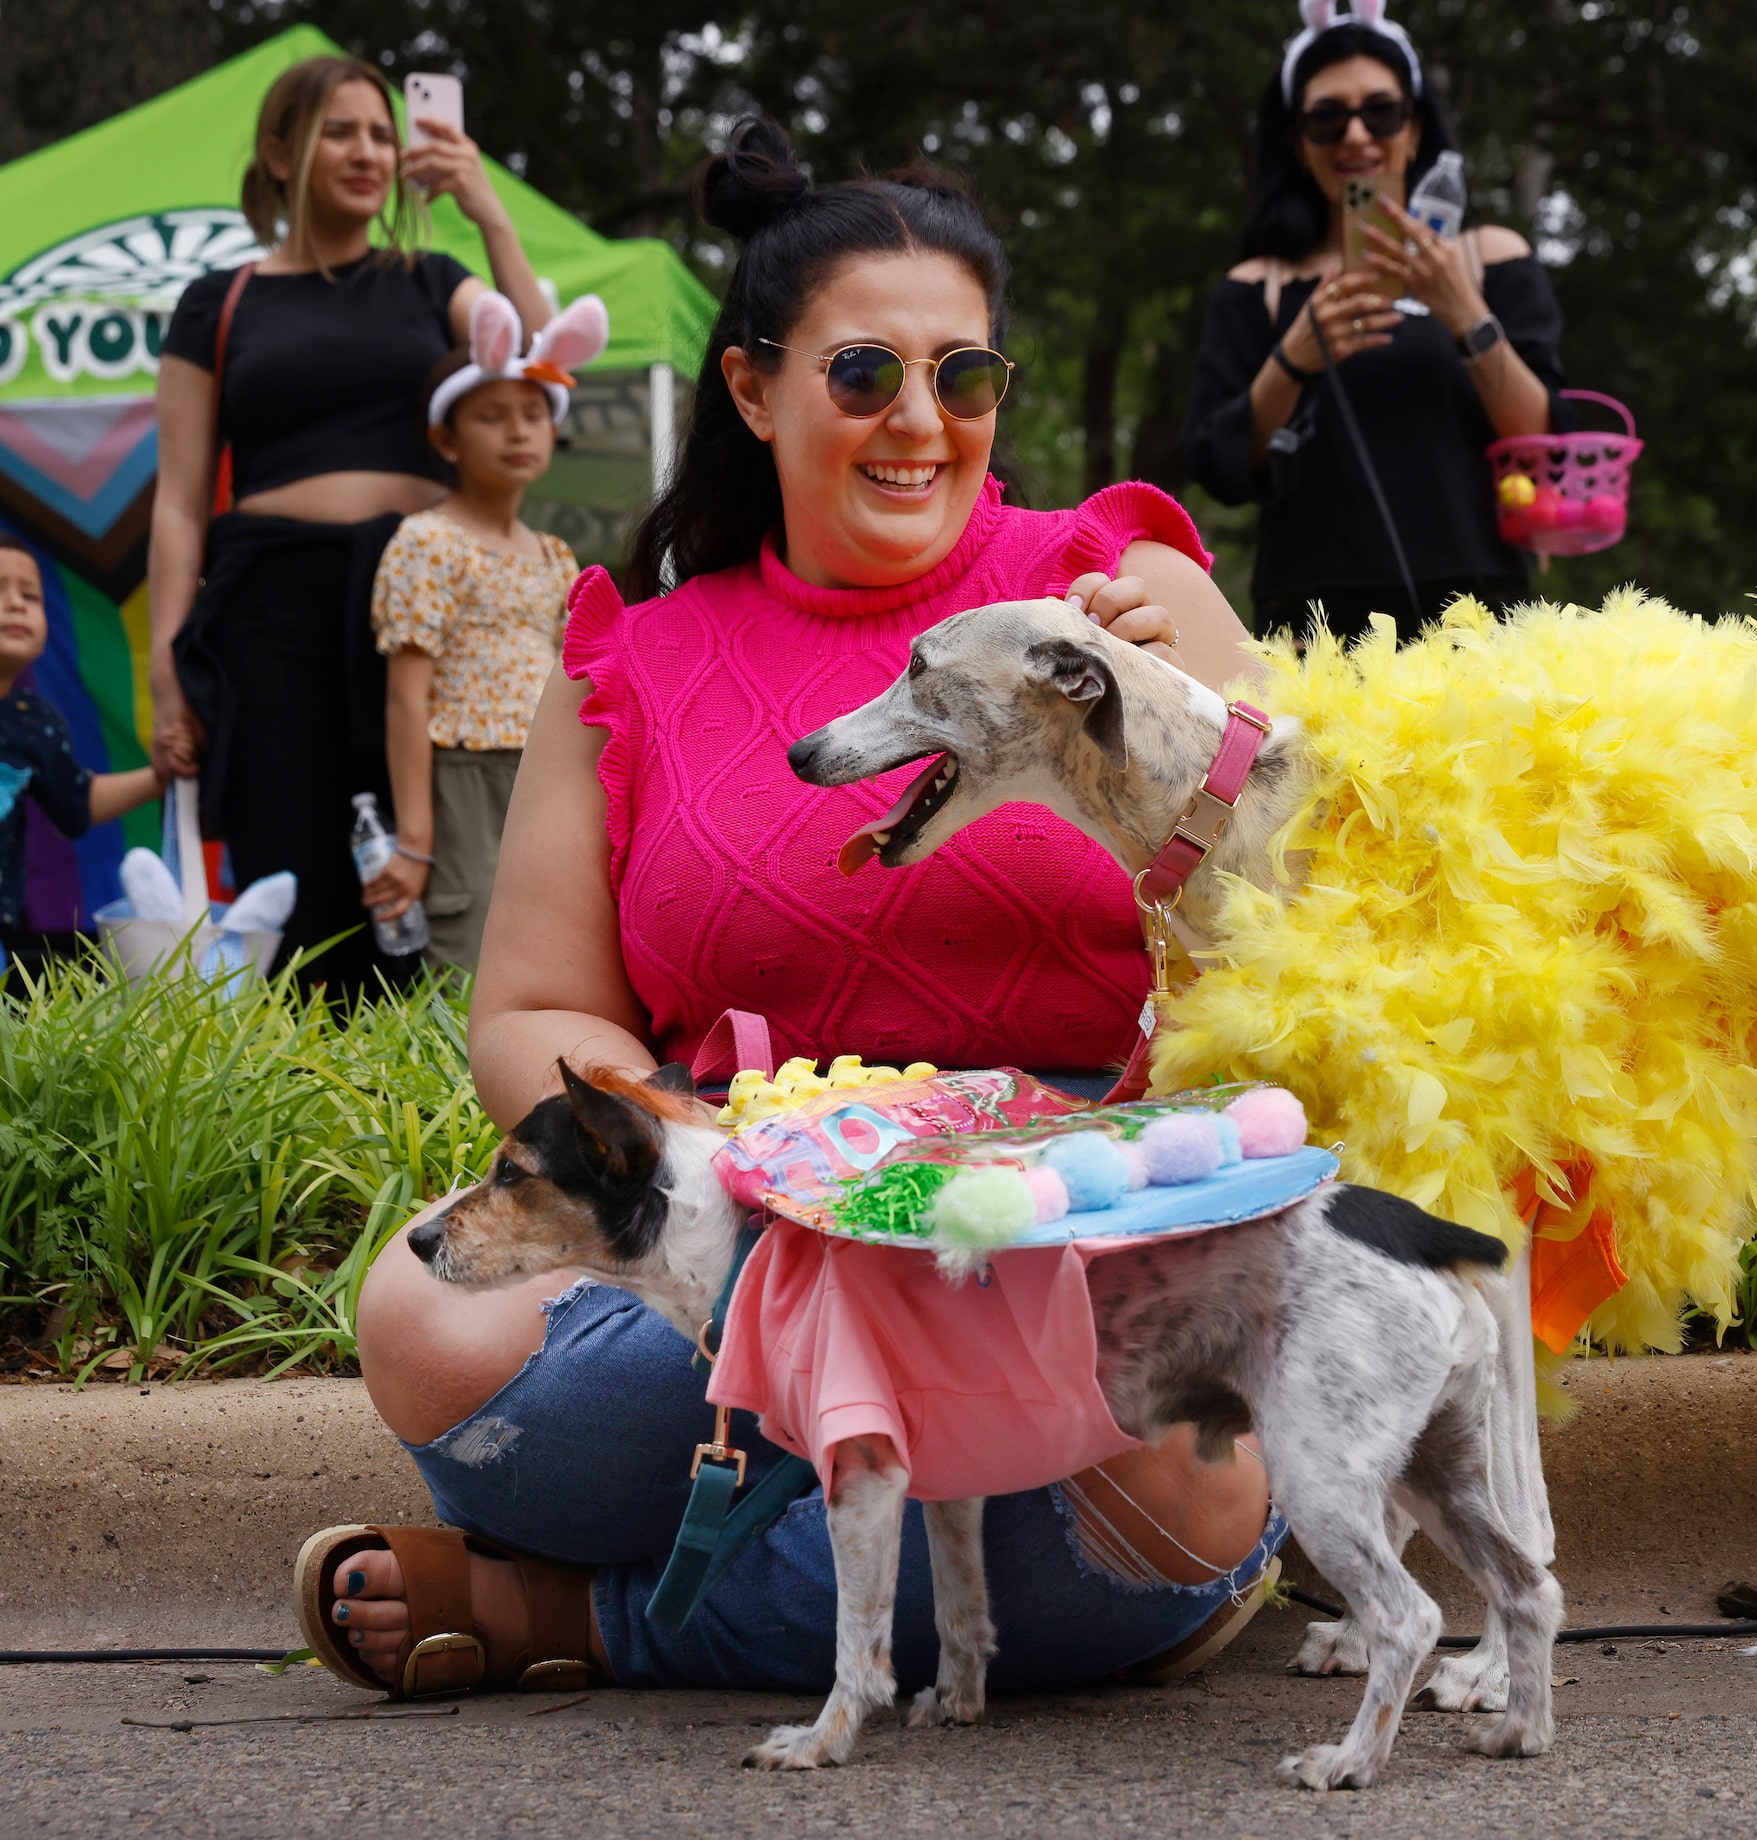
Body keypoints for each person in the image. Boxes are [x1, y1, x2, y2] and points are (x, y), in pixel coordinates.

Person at [300, 121, 1286, 1701]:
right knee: (433, 1326)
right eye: (862, 376)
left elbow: (1305, 915)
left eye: (963, 379)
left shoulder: (1117, 586)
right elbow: (535, 1013)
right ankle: (842, 1530)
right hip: (751, 1228)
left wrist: (1175, 719)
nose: (920, 422)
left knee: (1173, 1484)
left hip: (1078, 1233)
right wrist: (715, 1159)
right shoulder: (631, 652)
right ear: (754, 389)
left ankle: (576, 1617)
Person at [149, 55, 549, 999]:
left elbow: (538, 356)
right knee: (287, 845)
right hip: (269, 598)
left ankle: (425, 1082)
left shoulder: (429, 278)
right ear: (280, 154)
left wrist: (485, 208)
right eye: (340, 130)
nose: (369, 151)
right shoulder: (221, 299)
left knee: (431, 844)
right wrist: (168, 665)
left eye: (382, 132)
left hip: (415, 594)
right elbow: (176, 498)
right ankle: (297, 1090)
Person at [1182, 0, 1573, 642]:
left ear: (1416, 129)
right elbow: (1219, 465)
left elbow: (1546, 445)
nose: (1357, 136)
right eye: (1327, 119)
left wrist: (1464, 312)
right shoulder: (1259, 288)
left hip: (1481, 615)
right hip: (1313, 626)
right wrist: (1293, 359)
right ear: (1300, 145)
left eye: (1381, 112)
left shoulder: (1490, 260)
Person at [367, 296, 596, 972]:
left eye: (533, 415)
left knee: (552, 937)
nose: (517, 433)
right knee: (468, 944)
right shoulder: (428, 542)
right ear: (447, 439)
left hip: (546, 769)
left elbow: (573, 679)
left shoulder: (555, 554)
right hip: (464, 772)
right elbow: (406, 699)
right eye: (492, 417)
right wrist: (416, 841)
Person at [0, 537, 168, 972]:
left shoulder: (34, 721)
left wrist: (160, 776)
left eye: (30, 595)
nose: (16, 604)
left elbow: (75, 800)